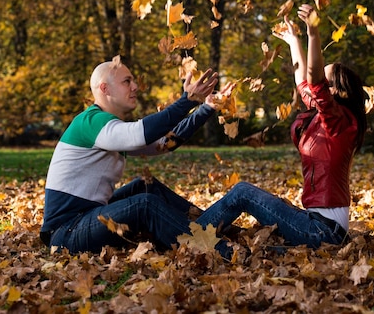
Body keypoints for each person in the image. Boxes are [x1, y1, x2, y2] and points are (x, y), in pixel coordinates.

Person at [196, 3, 369, 250]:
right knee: (256, 247)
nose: (316, 82)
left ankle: (187, 238)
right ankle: (198, 235)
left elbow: (313, 78)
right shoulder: (327, 116)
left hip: (323, 231)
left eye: (324, 78)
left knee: (243, 192)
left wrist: (313, 32)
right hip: (319, 225)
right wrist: (294, 41)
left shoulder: (339, 122)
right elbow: (302, 82)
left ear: (338, 91)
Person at [40, 57, 234, 257]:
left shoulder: (109, 128)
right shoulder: (91, 122)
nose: (135, 87)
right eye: (127, 81)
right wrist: (186, 101)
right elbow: (138, 134)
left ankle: (213, 228)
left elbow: (165, 143)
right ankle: (217, 251)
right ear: (104, 89)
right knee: (144, 204)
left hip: (87, 217)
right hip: (66, 232)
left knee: (145, 185)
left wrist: (207, 108)